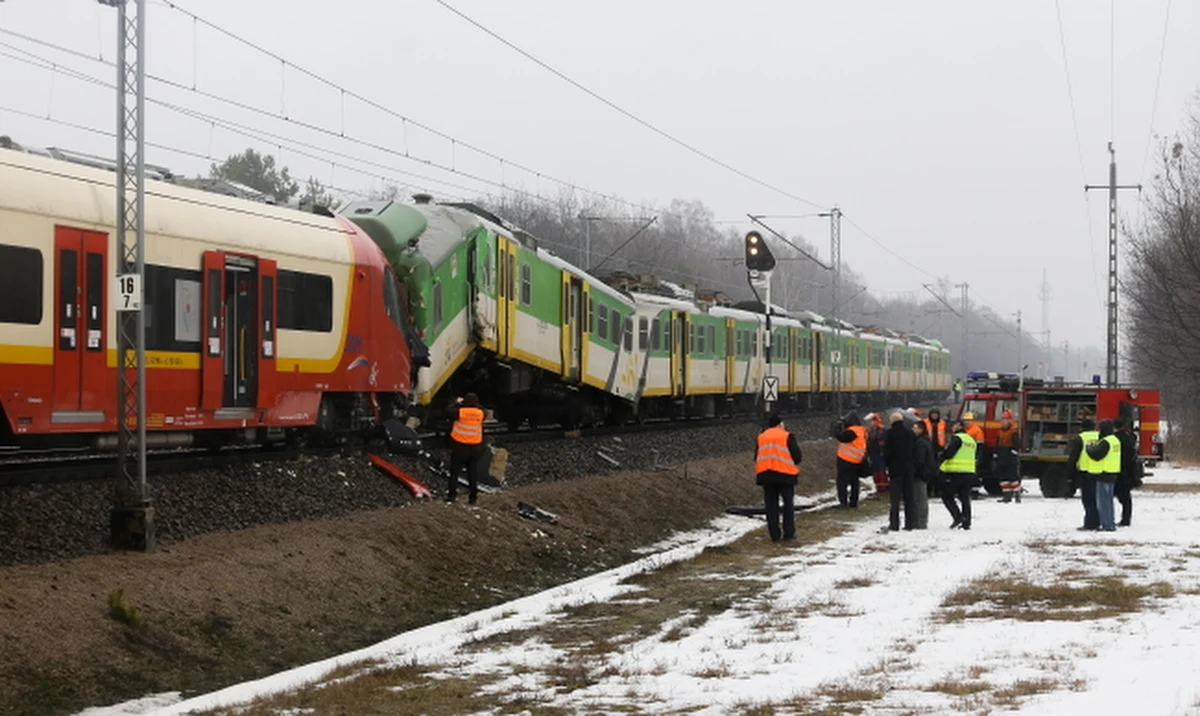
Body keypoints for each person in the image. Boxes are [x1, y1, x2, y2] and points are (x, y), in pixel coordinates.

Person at [755, 414, 803, 542]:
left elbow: (757, 456)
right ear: (780, 424)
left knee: (771, 506)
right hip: (785, 476)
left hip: (766, 476)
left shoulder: (761, 437)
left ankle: (774, 535)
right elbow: (797, 457)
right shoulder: (787, 436)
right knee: (788, 505)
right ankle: (789, 533)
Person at [446, 392, 486, 504]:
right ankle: (473, 498)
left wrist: (457, 403)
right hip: (475, 449)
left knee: (454, 472)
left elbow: (448, 410)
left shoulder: (460, 412)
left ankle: (452, 496)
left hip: (460, 447)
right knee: (472, 473)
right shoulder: (481, 413)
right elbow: (481, 409)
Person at [939, 420, 976, 530]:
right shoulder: (970, 440)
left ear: (959, 426)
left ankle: (958, 517)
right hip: (969, 471)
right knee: (965, 498)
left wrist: (941, 455)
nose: (952, 427)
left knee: (946, 495)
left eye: (953, 425)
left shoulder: (956, 438)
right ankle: (967, 521)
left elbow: (949, 453)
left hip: (955, 471)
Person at [1085, 419, 1121, 532]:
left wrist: (1088, 448)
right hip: (1113, 472)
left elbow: (1096, 455)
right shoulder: (1115, 440)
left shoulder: (1105, 442)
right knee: (1109, 501)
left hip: (1104, 474)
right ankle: (1110, 522)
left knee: (1103, 501)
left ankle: (1107, 525)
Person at [883, 411, 916, 531]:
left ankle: (894, 524)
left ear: (892, 421)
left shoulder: (889, 433)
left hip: (895, 469)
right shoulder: (910, 433)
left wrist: (887, 464)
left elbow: (887, 451)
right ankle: (910, 523)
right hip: (908, 469)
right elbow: (914, 450)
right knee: (909, 497)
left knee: (895, 498)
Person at [1067, 419, 1100, 531]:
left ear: (1082, 428)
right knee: (1097, 499)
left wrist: (1070, 474)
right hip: (1100, 471)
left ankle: (1089, 524)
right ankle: (1098, 521)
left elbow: (1073, 457)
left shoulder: (1080, 438)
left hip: (1085, 472)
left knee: (1088, 500)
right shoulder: (1101, 436)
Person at [835, 412, 868, 508]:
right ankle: (854, 502)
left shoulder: (852, 431)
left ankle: (843, 502)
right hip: (857, 460)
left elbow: (841, 437)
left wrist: (837, 428)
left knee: (842, 482)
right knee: (854, 482)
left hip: (845, 460)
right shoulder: (862, 430)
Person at [911, 420, 935, 529]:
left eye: (915, 428)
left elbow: (920, 460)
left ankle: (921, 522)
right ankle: (920, 521)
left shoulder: (920, 443)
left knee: (920, 499)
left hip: (920, 474)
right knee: (920, 498)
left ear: (920, 429)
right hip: (924, 473)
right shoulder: (925, 441)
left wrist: (915, 471)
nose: (913, 430)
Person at [1113, 417, 1137, 526]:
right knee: (1126, 498)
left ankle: (1112, 519)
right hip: (1129, 470)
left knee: (1115, 495)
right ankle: (1126, 519)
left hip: (1117, 470)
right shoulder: (1130, 438)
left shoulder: (1114, 439)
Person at [995, 410, 1022, 503]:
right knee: (1003, 477)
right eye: (1002, 419)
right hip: (1002, 455)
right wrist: (996, 454)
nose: (1003, 421)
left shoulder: (1013, 431)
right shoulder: (1000, 431)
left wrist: (1013, 453)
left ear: (1009, 420)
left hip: (1010, 456)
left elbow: (1017, 444)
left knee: (1012, 477)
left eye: (1005, 419)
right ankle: (1007, 496)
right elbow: (997, 443)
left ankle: (1017, 494)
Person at [866, 413, 890, 494]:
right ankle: (878, 486)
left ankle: (883, 486)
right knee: (875, 470)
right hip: (873, 454)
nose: (870, 423)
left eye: (871, 421)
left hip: (880, 453)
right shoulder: (871, 431)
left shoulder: (881, 430)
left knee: (881, 470)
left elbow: (883, 442)